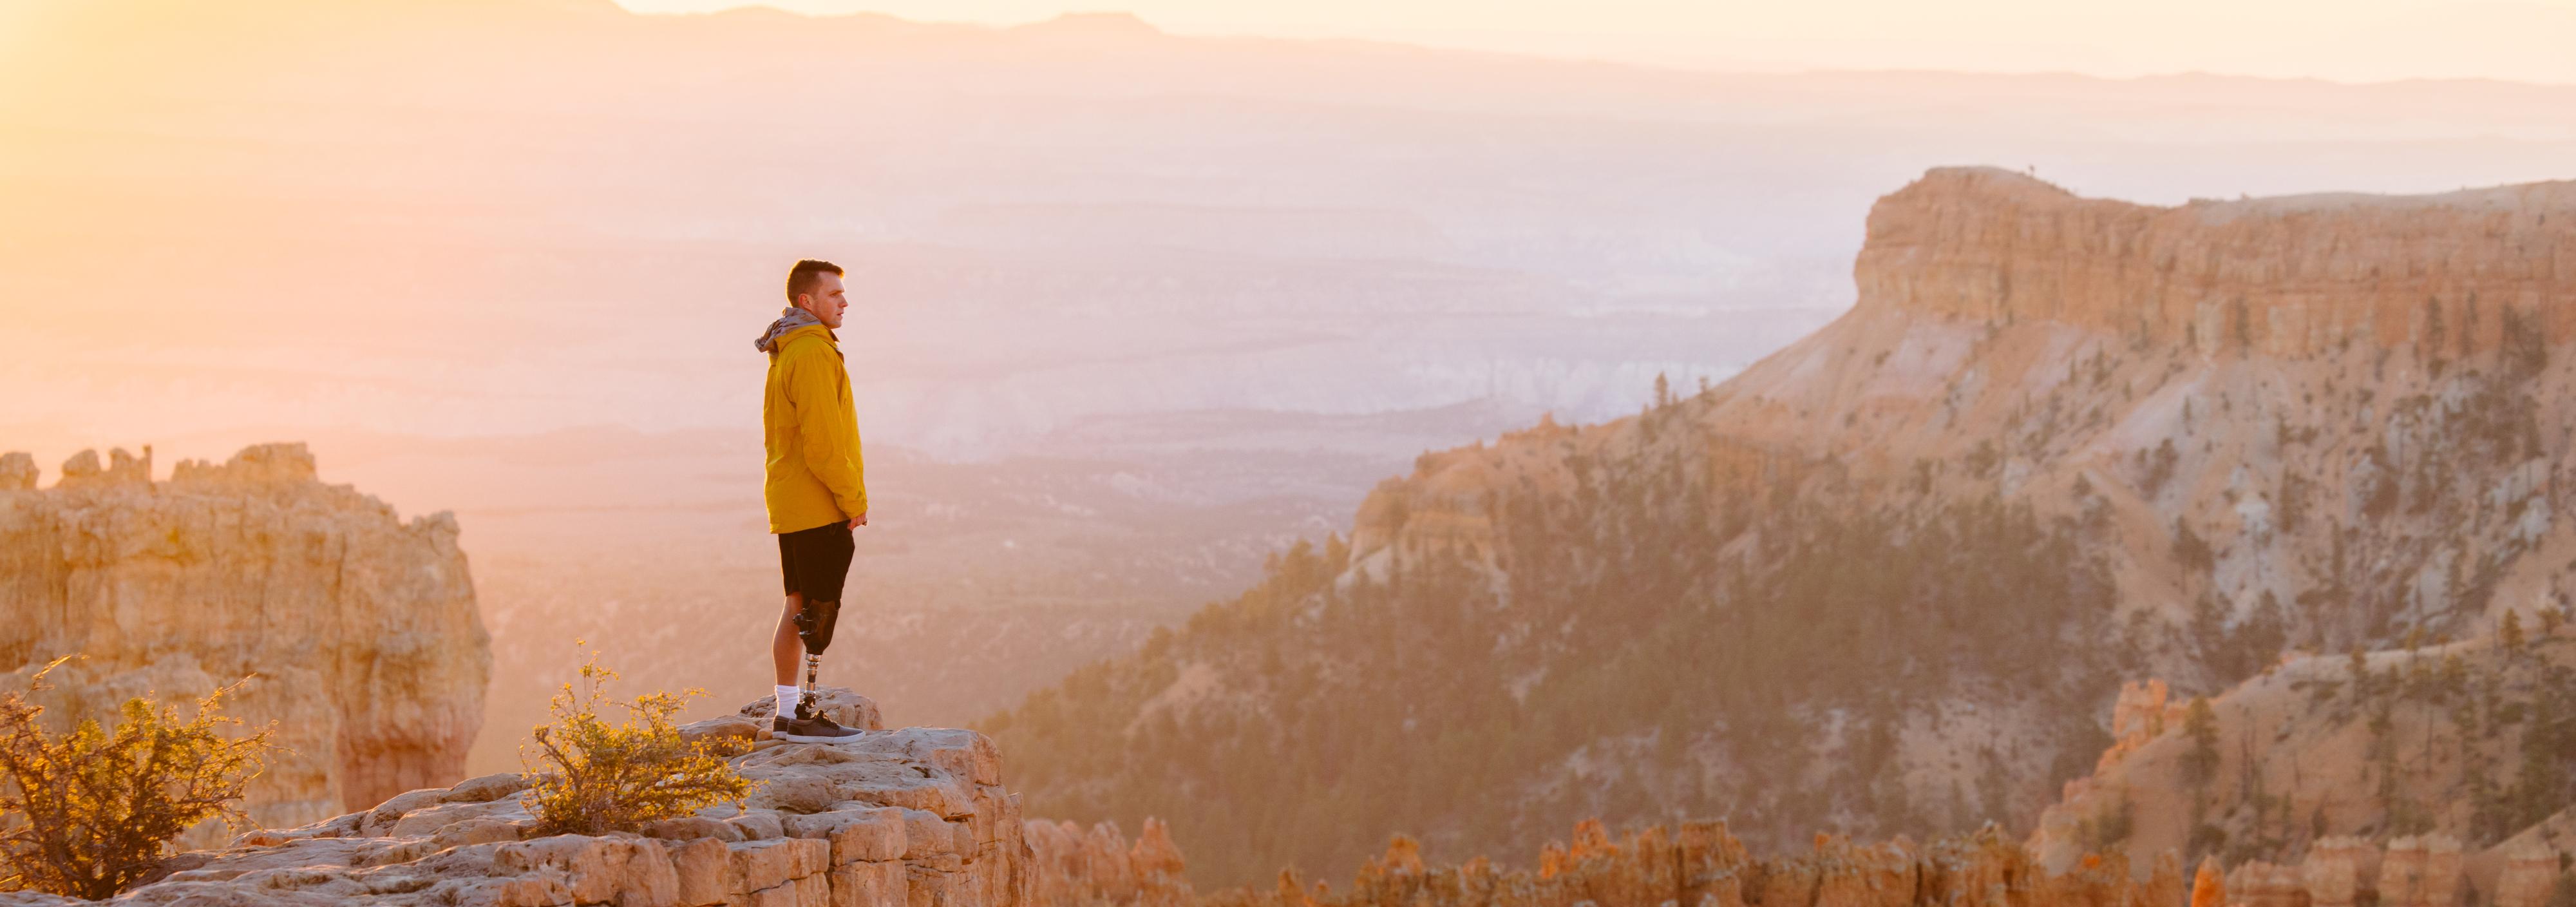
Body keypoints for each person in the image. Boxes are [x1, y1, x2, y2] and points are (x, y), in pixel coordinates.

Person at [755, 259, 869, 743]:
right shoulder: (813, 354)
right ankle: (803, 715)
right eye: (835, 294)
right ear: (808, 301)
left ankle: (786, 711)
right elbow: (824, 444)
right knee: (819, 610)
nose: (844, 302)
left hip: (791, 499)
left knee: (797, 602)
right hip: (818, 500)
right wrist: (853, 499)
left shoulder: (788, 349)